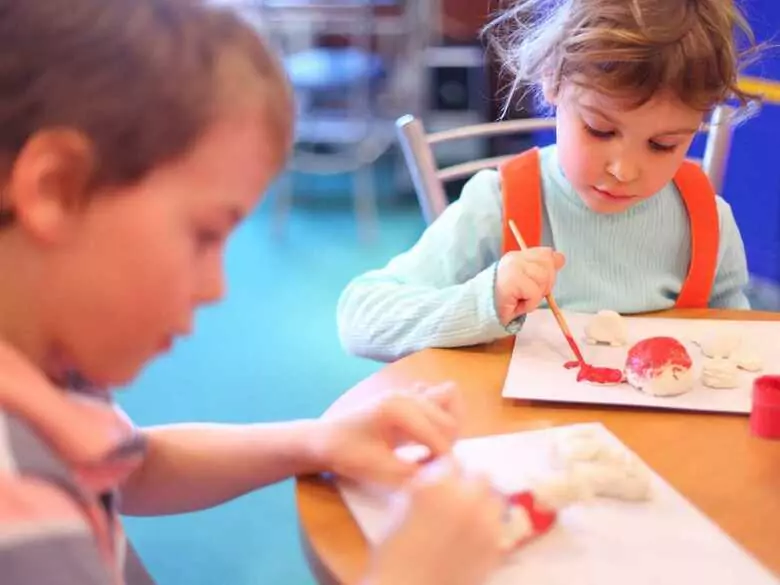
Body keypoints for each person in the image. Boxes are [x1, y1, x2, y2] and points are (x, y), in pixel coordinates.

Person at [0, 2, 507, 584]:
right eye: (204, 235)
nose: (218, 287)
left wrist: (319, 441)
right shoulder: (18, 509)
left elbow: (129, 469)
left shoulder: (46, 365)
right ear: (57, 189)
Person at [337, 0, 763, 363]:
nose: (624, 170)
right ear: (552, 82)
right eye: (599, 130)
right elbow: (360, 317)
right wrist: (486, 300)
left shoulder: (707, 221)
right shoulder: (498, 204)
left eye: (663, 144)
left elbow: (739, 349)